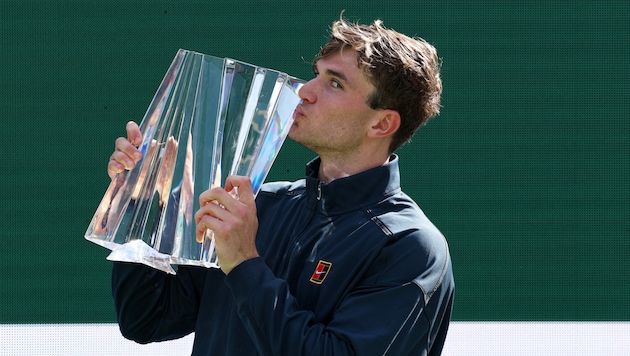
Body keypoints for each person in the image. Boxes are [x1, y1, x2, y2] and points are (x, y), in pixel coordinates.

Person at [107, 16, 454, 356]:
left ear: (382, 124)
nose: (305, 90)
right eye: (317, 74)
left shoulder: (410, 246)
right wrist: (144, 196)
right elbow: (146, 319)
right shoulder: (261, 205)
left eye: (335, 83)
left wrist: (245, 263)